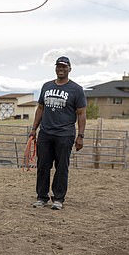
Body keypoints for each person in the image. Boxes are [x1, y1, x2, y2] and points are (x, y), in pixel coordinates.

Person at [29, 56, 87, 210]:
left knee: (61, 167)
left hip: (65, 134)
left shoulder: (76, 89)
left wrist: (80, 136)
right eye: (58, 66)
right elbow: (40, 108)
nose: (61, 69)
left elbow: (81, 113)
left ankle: (58, 198)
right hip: (46, 133)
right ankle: (42, 197)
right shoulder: (46, 86)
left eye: (64, 67)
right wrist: (34, 129)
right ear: (55, 68)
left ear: (69, 69)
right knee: (43, 166)